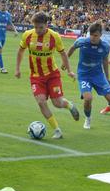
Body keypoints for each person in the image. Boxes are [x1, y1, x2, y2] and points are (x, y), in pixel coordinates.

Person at [15, 11, 80, 139]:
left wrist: (69, 70)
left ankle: (69, 105)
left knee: (57, 103)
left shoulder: (54, 36)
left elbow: (63, 53)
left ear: (47, 24)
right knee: (41, 102)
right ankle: (57, 130)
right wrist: (17, 69)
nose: (38, 30)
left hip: (52, 75)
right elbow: (20, 51)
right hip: (36, 77)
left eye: (41, 27)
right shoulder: (27, 35)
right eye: (36, 27)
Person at [66, 22, 110, 133]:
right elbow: (72, 48)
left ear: (100, 35)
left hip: (98, 75)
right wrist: (65, 62)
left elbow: (105, 60)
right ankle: (88, 119)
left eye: (95, 35)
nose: (92, 37)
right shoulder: (82, 42)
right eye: (91, 34)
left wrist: (107, 77)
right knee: (88, 98)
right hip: (84, 75)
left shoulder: (105, 46)